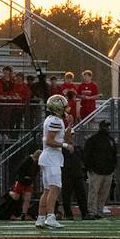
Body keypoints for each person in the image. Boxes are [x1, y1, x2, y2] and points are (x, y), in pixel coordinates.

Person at [35, 93, 70, 229]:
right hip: (51, 158)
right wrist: (66, 146)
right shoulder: (55, 120)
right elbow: (50, 141)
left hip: (47, 157)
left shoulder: (50, 119)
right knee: (55, 188)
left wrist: (69, 127)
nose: (66, 110)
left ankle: (41, 218)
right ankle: (50, 217)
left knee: (47, 190)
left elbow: (57, 138)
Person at [82, 121, 118, 217]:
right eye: (105, 126)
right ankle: (92, 211)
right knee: (94, 191)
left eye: (108, 127)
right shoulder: (93, 140)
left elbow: (114, 155)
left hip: (108, 171)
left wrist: (113, 167)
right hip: (96, 171)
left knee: (103, 193)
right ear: (100, 127)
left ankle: (99, 210)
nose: (107, 128)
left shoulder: (111, 140)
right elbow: (86, 154)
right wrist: (89, 167)